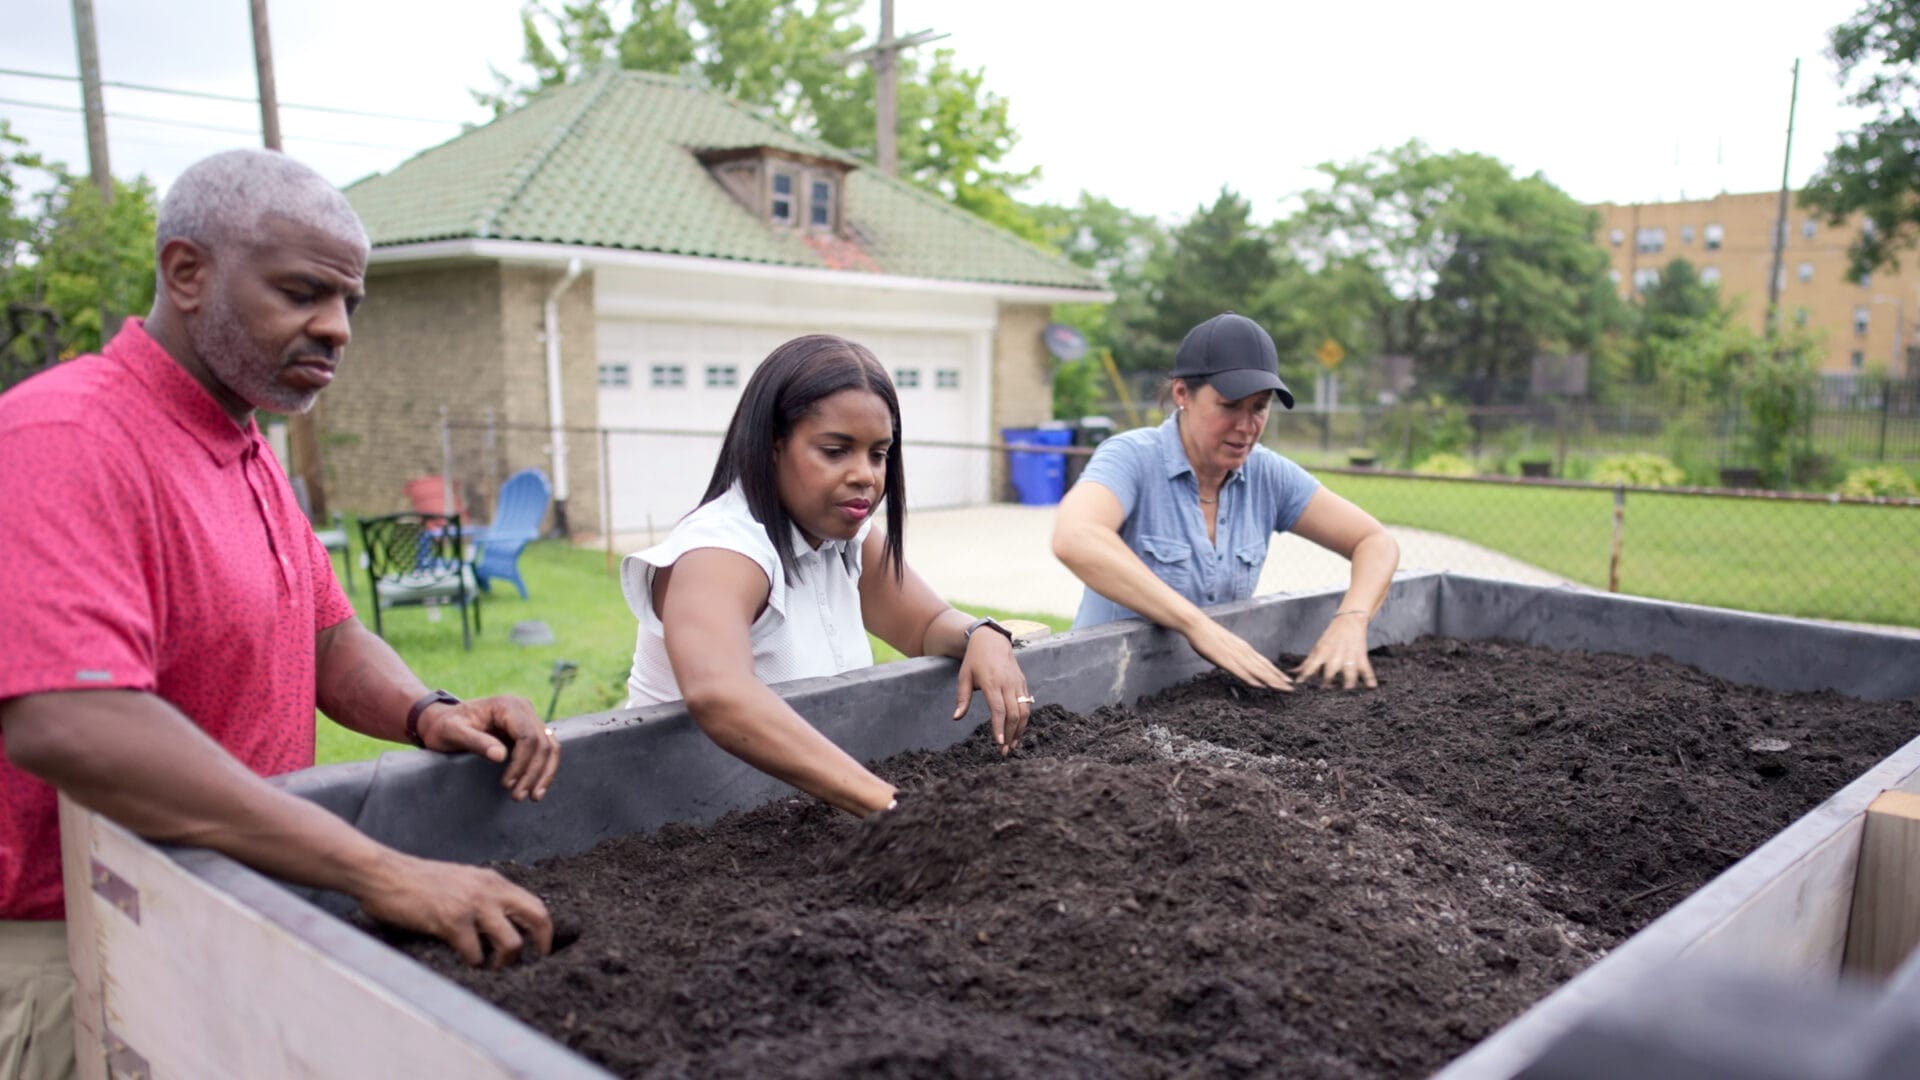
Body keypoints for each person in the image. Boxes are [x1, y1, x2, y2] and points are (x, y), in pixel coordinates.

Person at [0, 149, 560, 1079]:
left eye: (350, 303)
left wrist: (429, 712)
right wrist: (383, 872)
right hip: (81, 950)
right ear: (187, 273)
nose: (336, 328)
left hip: (227, 906)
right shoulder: (66, 438)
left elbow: (326, 633)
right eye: (303, 292)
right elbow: (72, 720)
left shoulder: (242, 443)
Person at [622, 334, 1032, 817]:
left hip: (796, 810)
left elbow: (922, 625)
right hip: (687, 823)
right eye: (836, 451)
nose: (866, 475)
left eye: (878, 454)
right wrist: (889, 807)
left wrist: (980, 635)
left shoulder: (845, 536)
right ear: (772, 446)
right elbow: (720, 692)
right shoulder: (722, 549)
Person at [1052, 312, 1401, 691]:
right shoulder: (1132, 456)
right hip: (1102, 696)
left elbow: (1376, 542)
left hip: (1200, 695)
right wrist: (1196, 624)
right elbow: (1075, 536)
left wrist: (1351, 620)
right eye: (1229, 405)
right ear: (1182, 393)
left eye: (1259, 407)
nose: (1246, 425)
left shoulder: (1267, 474)